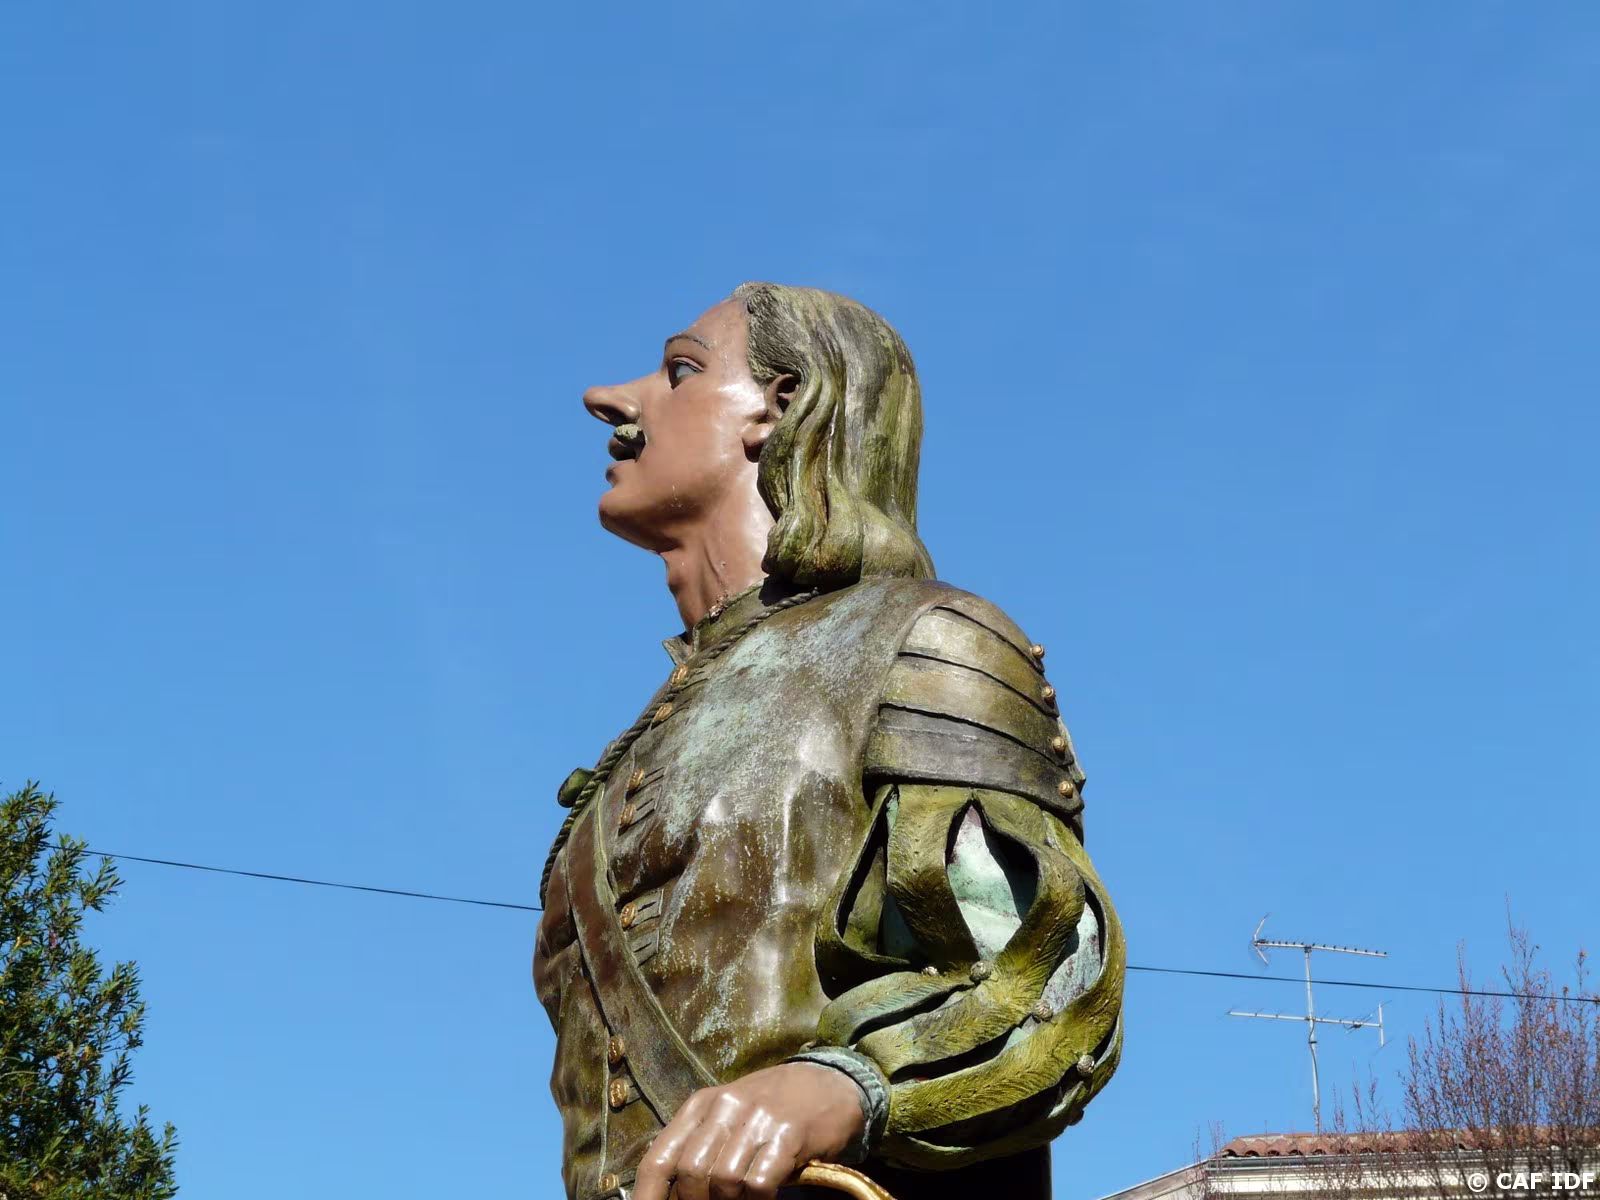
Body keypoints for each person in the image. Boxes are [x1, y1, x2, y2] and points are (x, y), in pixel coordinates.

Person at [533, 283, 1124, 1200]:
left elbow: (1047, 974)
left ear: (781, 406)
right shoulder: (629, 754)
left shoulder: (926, 639)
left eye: (681, 370)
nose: (610, 400)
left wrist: (844, 1085)